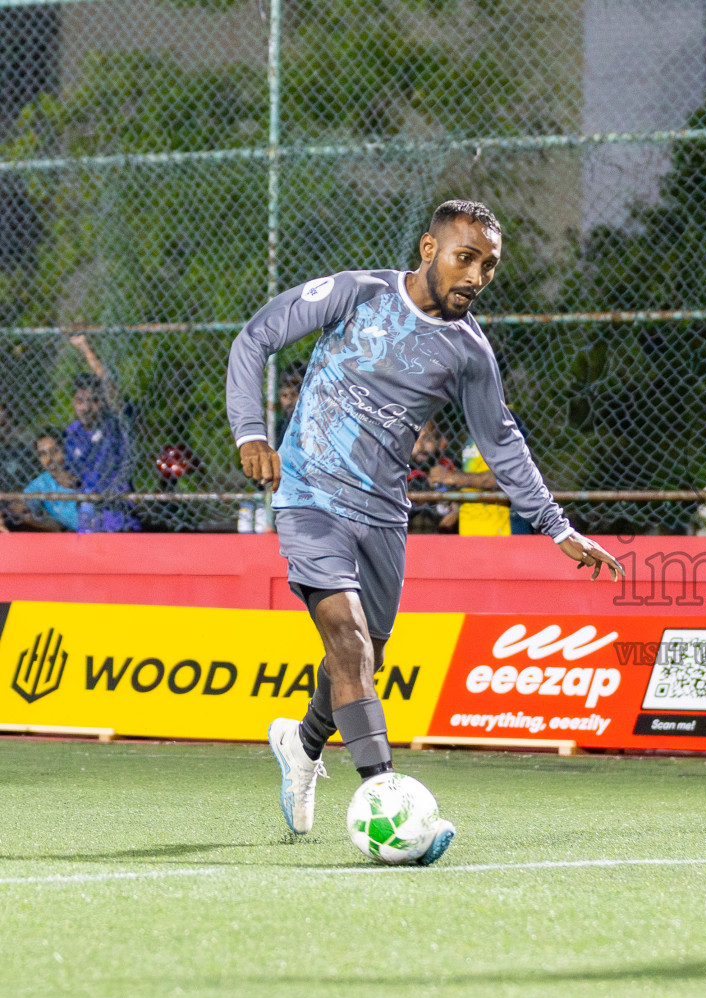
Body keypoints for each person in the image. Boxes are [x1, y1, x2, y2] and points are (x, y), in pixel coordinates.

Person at [226, 199, 623, 865]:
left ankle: (303, 741)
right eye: (465, 257)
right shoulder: (357, 293)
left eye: (489, 266)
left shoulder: (469, 353)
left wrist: (558, 528)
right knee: (349, 640)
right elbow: (255, 338)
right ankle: (388, 800)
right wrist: (250, 433)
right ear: (428, 250)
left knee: (362, 655)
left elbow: (501, 444)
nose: (476, 276)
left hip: (384, 514)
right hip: (309, 497)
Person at [63, 333, 137, 533]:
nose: (86, 408)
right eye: (80, 401)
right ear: (73, 402)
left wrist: (85, 348)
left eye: (93, 401)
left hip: (117, 512)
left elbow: (108, 384)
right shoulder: (71, 434)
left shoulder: (114, 424)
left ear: (103, 402)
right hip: (87, 515)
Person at [10, 429, 77, 532]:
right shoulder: (43, 482)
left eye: (54, 451)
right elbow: (19, 506)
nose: (49, 459)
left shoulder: (83, 473)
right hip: (69, 536)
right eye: (43, 454)